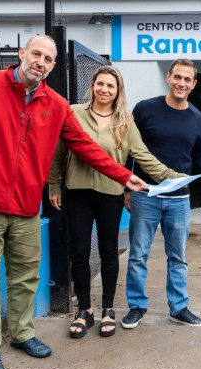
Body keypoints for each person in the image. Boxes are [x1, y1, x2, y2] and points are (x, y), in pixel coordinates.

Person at [0, 35, 147, 369]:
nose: (41, 62)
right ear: (22, 53)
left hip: (25, 208)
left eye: (48, 59)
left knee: (26, 277)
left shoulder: (56, 104)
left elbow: (85, 146)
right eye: (36, 54)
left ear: (53, 66)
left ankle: (22, 334)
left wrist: (123, 176)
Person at [48, 66, 186, 339]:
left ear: (118, 91)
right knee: (79, 252)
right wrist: (54, 184)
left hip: (110, 193)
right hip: (77, 192)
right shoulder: (74, 113)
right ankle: (84, 310)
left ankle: (108, 309)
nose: (104, 89)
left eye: (111, 86)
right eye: (100, 83)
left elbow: (144, 157)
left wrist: (176, 178)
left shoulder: (125, 122)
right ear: (92, 85)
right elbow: (58, 151)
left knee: (109, 252)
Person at [121, 58, 201, 329]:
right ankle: (136, 306)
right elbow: (129, 150)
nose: (181, 83)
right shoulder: (145, 109)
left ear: (194, 84)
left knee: (178, 257)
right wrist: (126, 187)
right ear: (168, 77)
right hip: (146, 194)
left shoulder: (198, 118)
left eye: (187, 79)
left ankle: (178, 307)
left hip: (180, 199)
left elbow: (199, 156)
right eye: (177, 77)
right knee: (138, 255)